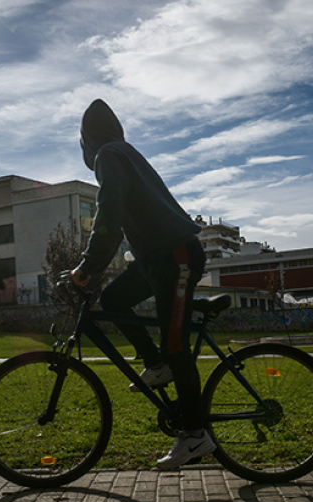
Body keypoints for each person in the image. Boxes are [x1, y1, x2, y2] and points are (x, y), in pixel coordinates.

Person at [70, 98, 214, 471]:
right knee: (113, 298)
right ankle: (156, 364)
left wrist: (89, 263)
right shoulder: (124, 152)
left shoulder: (109, 156)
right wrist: (96, 265)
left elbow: (110, 210)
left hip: (176, 256)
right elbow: (118, 217)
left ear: (87, 139)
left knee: (175, 343)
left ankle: (196, 434)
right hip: (157, 259)